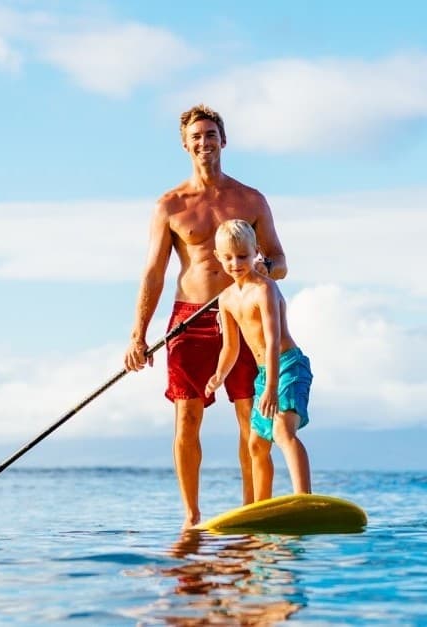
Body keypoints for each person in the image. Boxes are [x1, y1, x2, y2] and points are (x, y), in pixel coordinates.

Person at [124, 105, 288, 529]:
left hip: (243, 314)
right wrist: (137, 335)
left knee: (251, 416)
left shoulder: (251, 200)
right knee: (188, 417)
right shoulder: (170, 205)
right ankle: (192, 516)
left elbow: (280, 260)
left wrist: (261, 270)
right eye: (196, 136)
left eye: (211, 134)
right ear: (185, 145)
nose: (204, 142)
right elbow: (153, 272)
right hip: (188, 320)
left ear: (223, 140)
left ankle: (254, 510)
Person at [205, 219, 312, 502]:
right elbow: (231, 347)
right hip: (265, 374)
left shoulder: (264, 289)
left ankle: (304, 499)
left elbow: (273, 340)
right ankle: (260, 507)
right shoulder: (226, 298)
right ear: (218, 256)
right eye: (228, 257)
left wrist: (271, 388)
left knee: (281, 431)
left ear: (256, 253)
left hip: (287, 366)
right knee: (255, 444)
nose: (235, 263)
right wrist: (219, 375)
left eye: (242, 256)